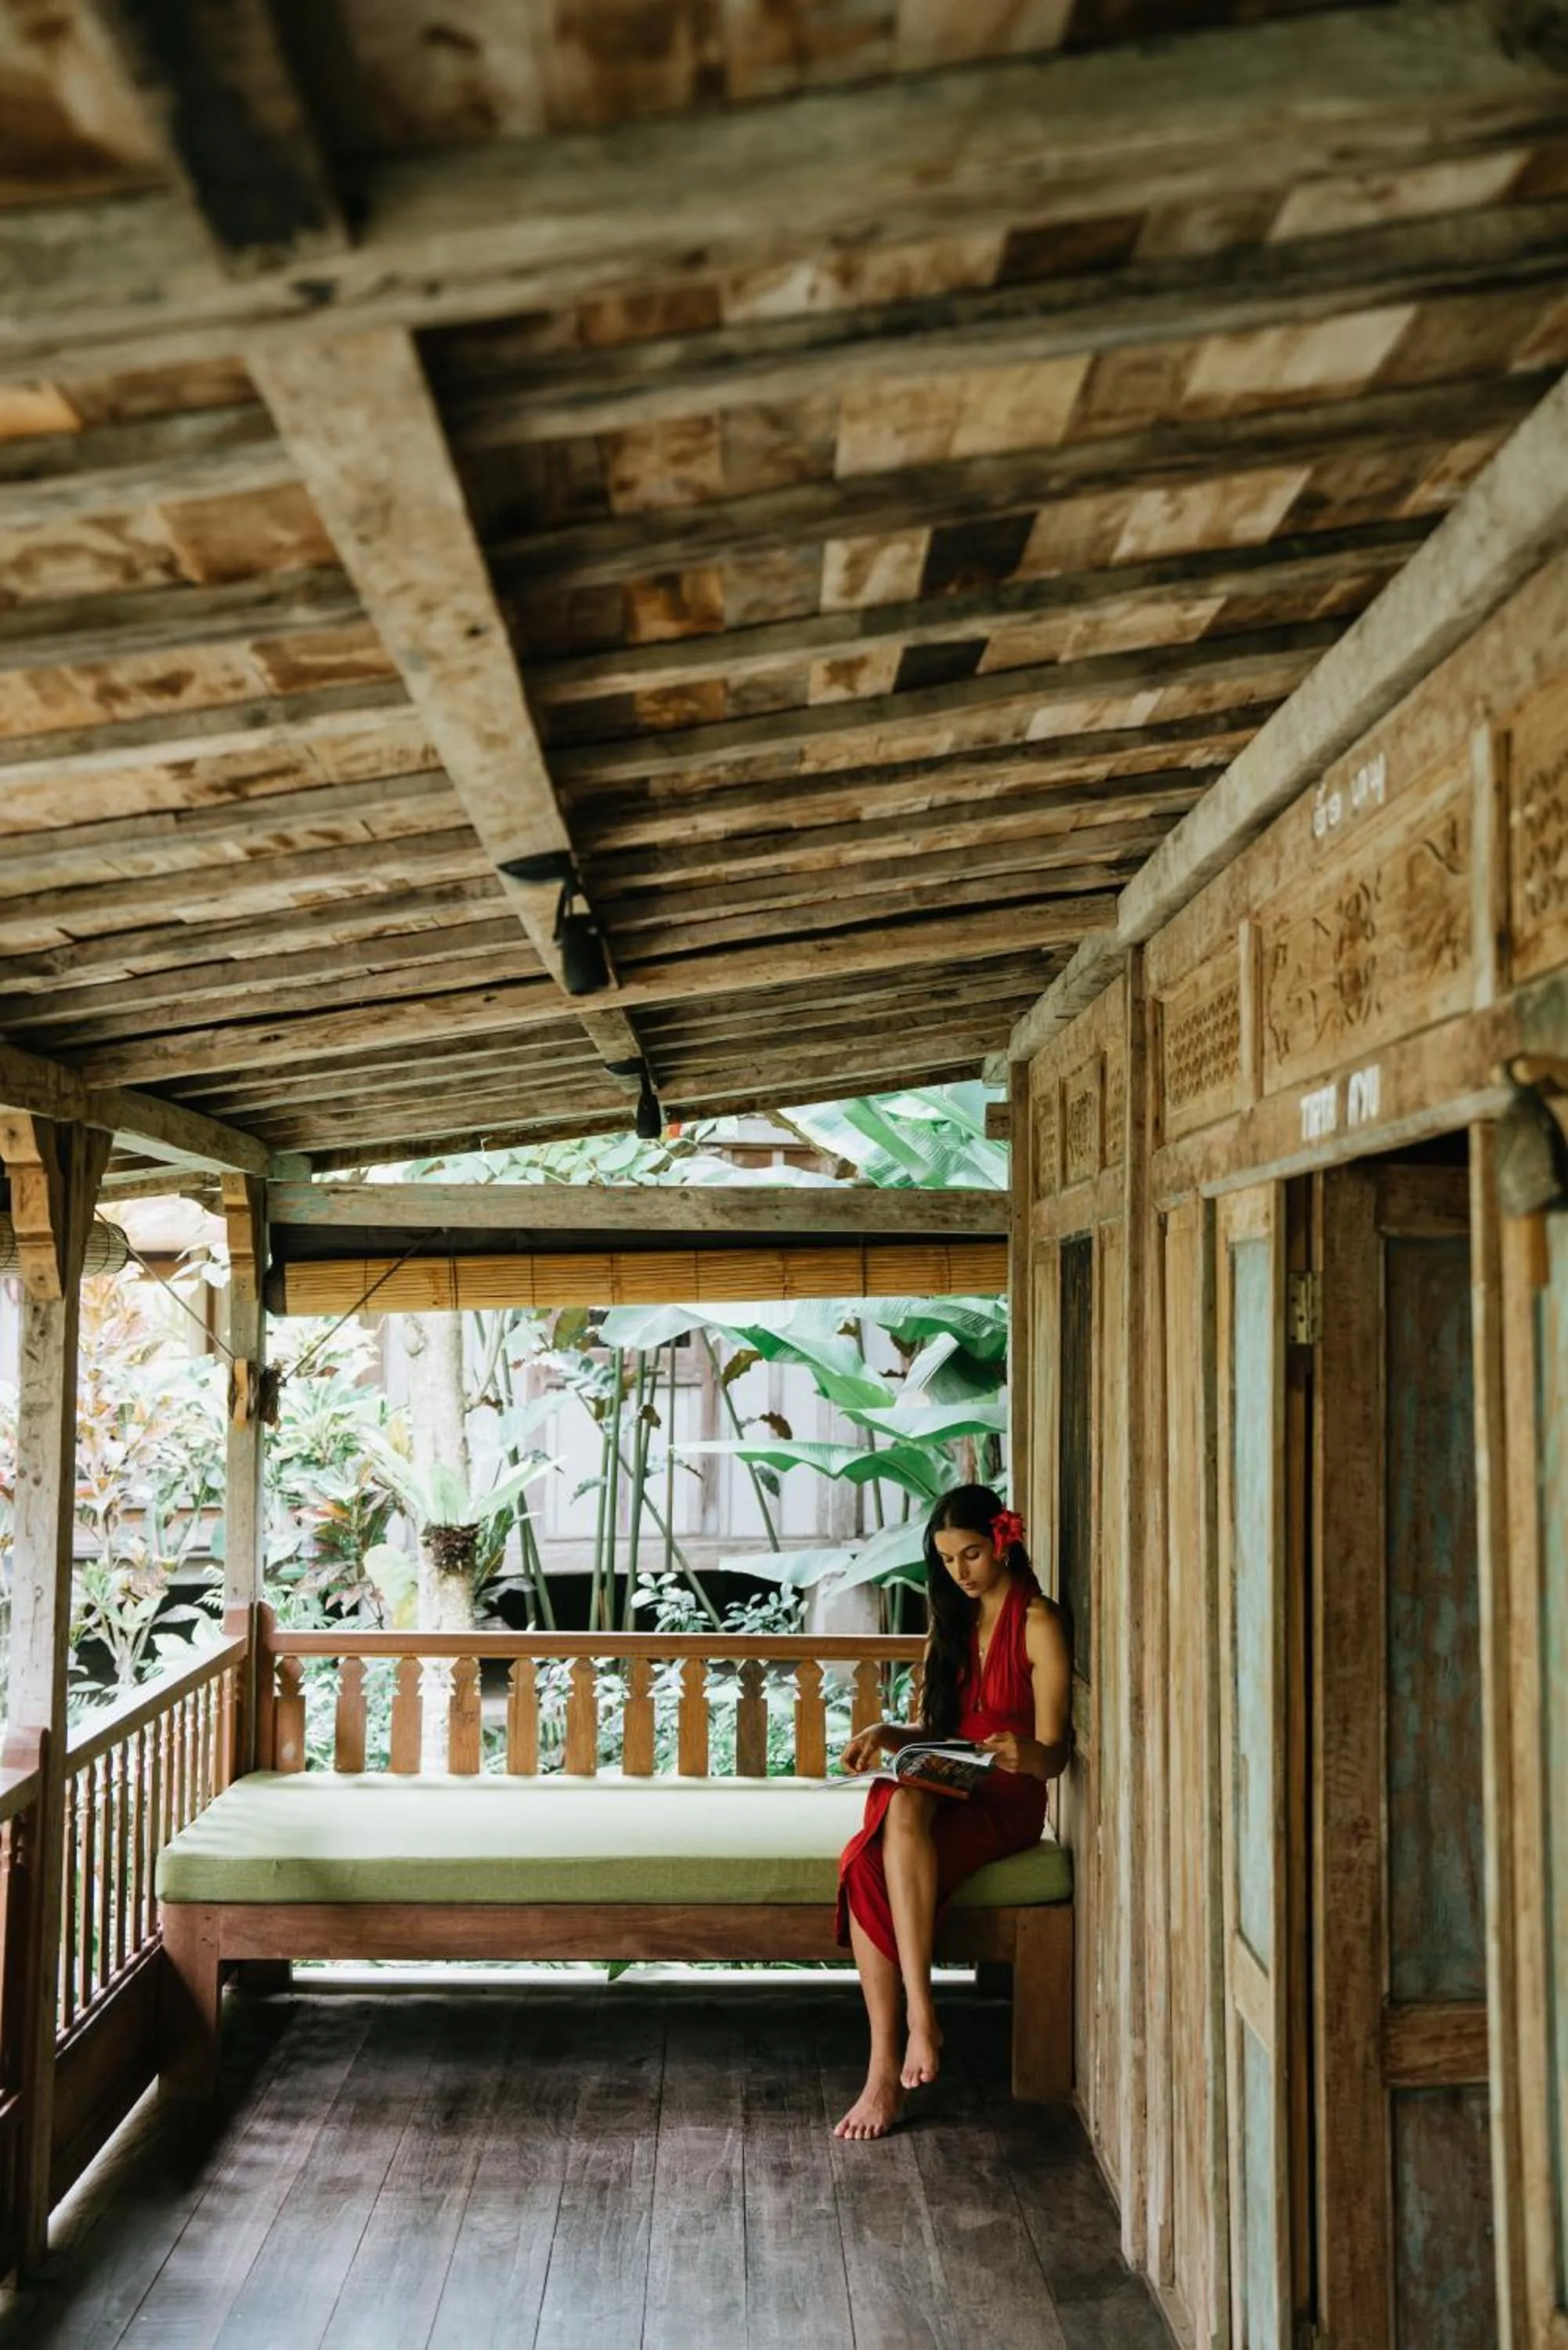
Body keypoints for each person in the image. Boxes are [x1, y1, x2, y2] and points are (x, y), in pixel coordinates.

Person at [832, 1483, 1071, 2141]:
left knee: (887, 1832)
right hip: (950, 1780)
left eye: (970, 1555)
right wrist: (887, 1733)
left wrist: (1029, 1753)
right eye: (945, 1560)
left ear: (1002, 1542)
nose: (959, 1573)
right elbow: (942, 1735)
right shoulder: (955, 1620)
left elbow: (1055, 1754)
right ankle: (900, 2045)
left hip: (1006, 1796)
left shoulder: (1038, 1621)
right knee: (873, 1851)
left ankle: (913, 2030)